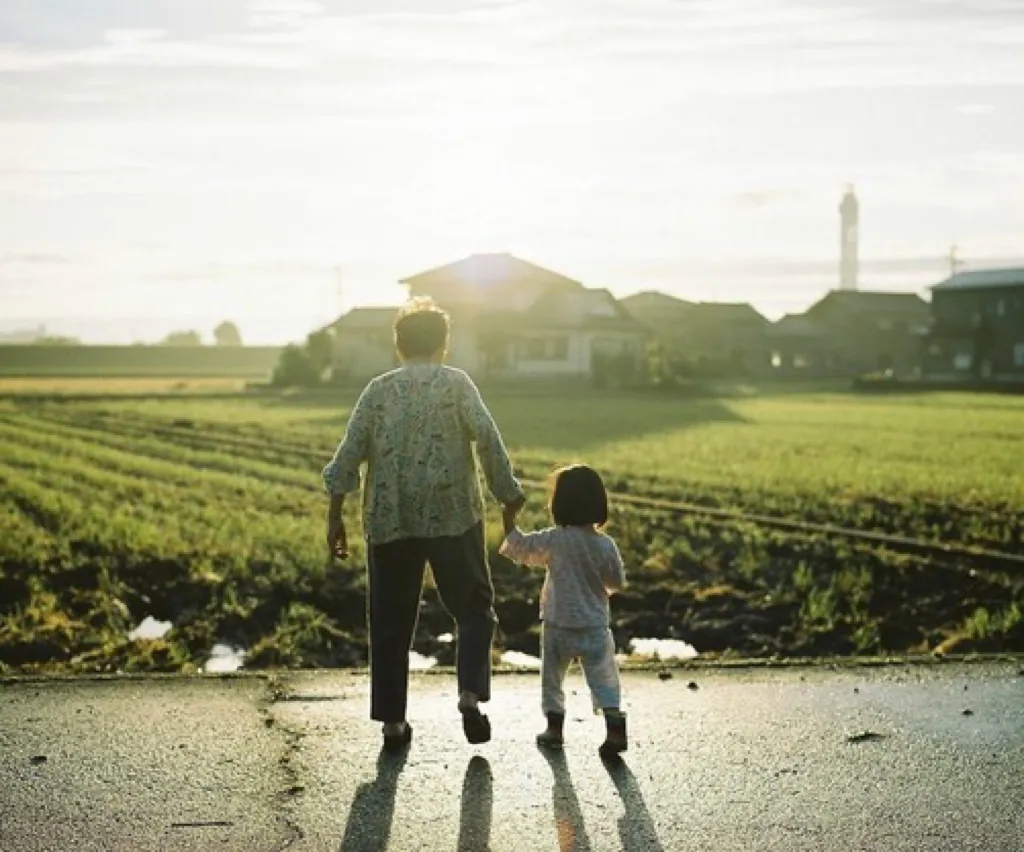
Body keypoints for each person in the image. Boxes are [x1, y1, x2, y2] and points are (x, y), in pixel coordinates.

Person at [322, 297, 525, 753]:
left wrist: (335, 517)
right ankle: (469, 694)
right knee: (474, 608)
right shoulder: (456, 384)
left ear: (398, 345)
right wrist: (508, 494)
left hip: (390, 520)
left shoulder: (378, 391)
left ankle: (393, 723)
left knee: (390, 622)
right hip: (453, 516)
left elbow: (348, 454)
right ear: (443, 344)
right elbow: (488, 439)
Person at [499, 464, 628, 759]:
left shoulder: (555, 540)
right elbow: (617, 582)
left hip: (558, 624)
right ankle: (615, 729)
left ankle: (554, 730)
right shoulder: (605, 545)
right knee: (604, 678)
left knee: (552, 680)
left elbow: (521, 547)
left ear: (559, 505)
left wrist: (508, 518)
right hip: (594, 626)